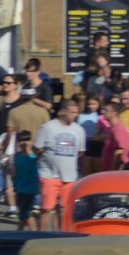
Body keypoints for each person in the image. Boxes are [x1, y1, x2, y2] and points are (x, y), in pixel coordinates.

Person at [32, 97, 86, 230]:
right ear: (63, 112)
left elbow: (80, 152)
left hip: (69, 177)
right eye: (71, 112)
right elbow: (37, 148)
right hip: (49, 175)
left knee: (64, 210)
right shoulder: (48, 128)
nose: (74, 115)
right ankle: (41, 237)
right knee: (47, 209)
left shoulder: (79, 130)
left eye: (76, 112)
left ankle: (60, 235)